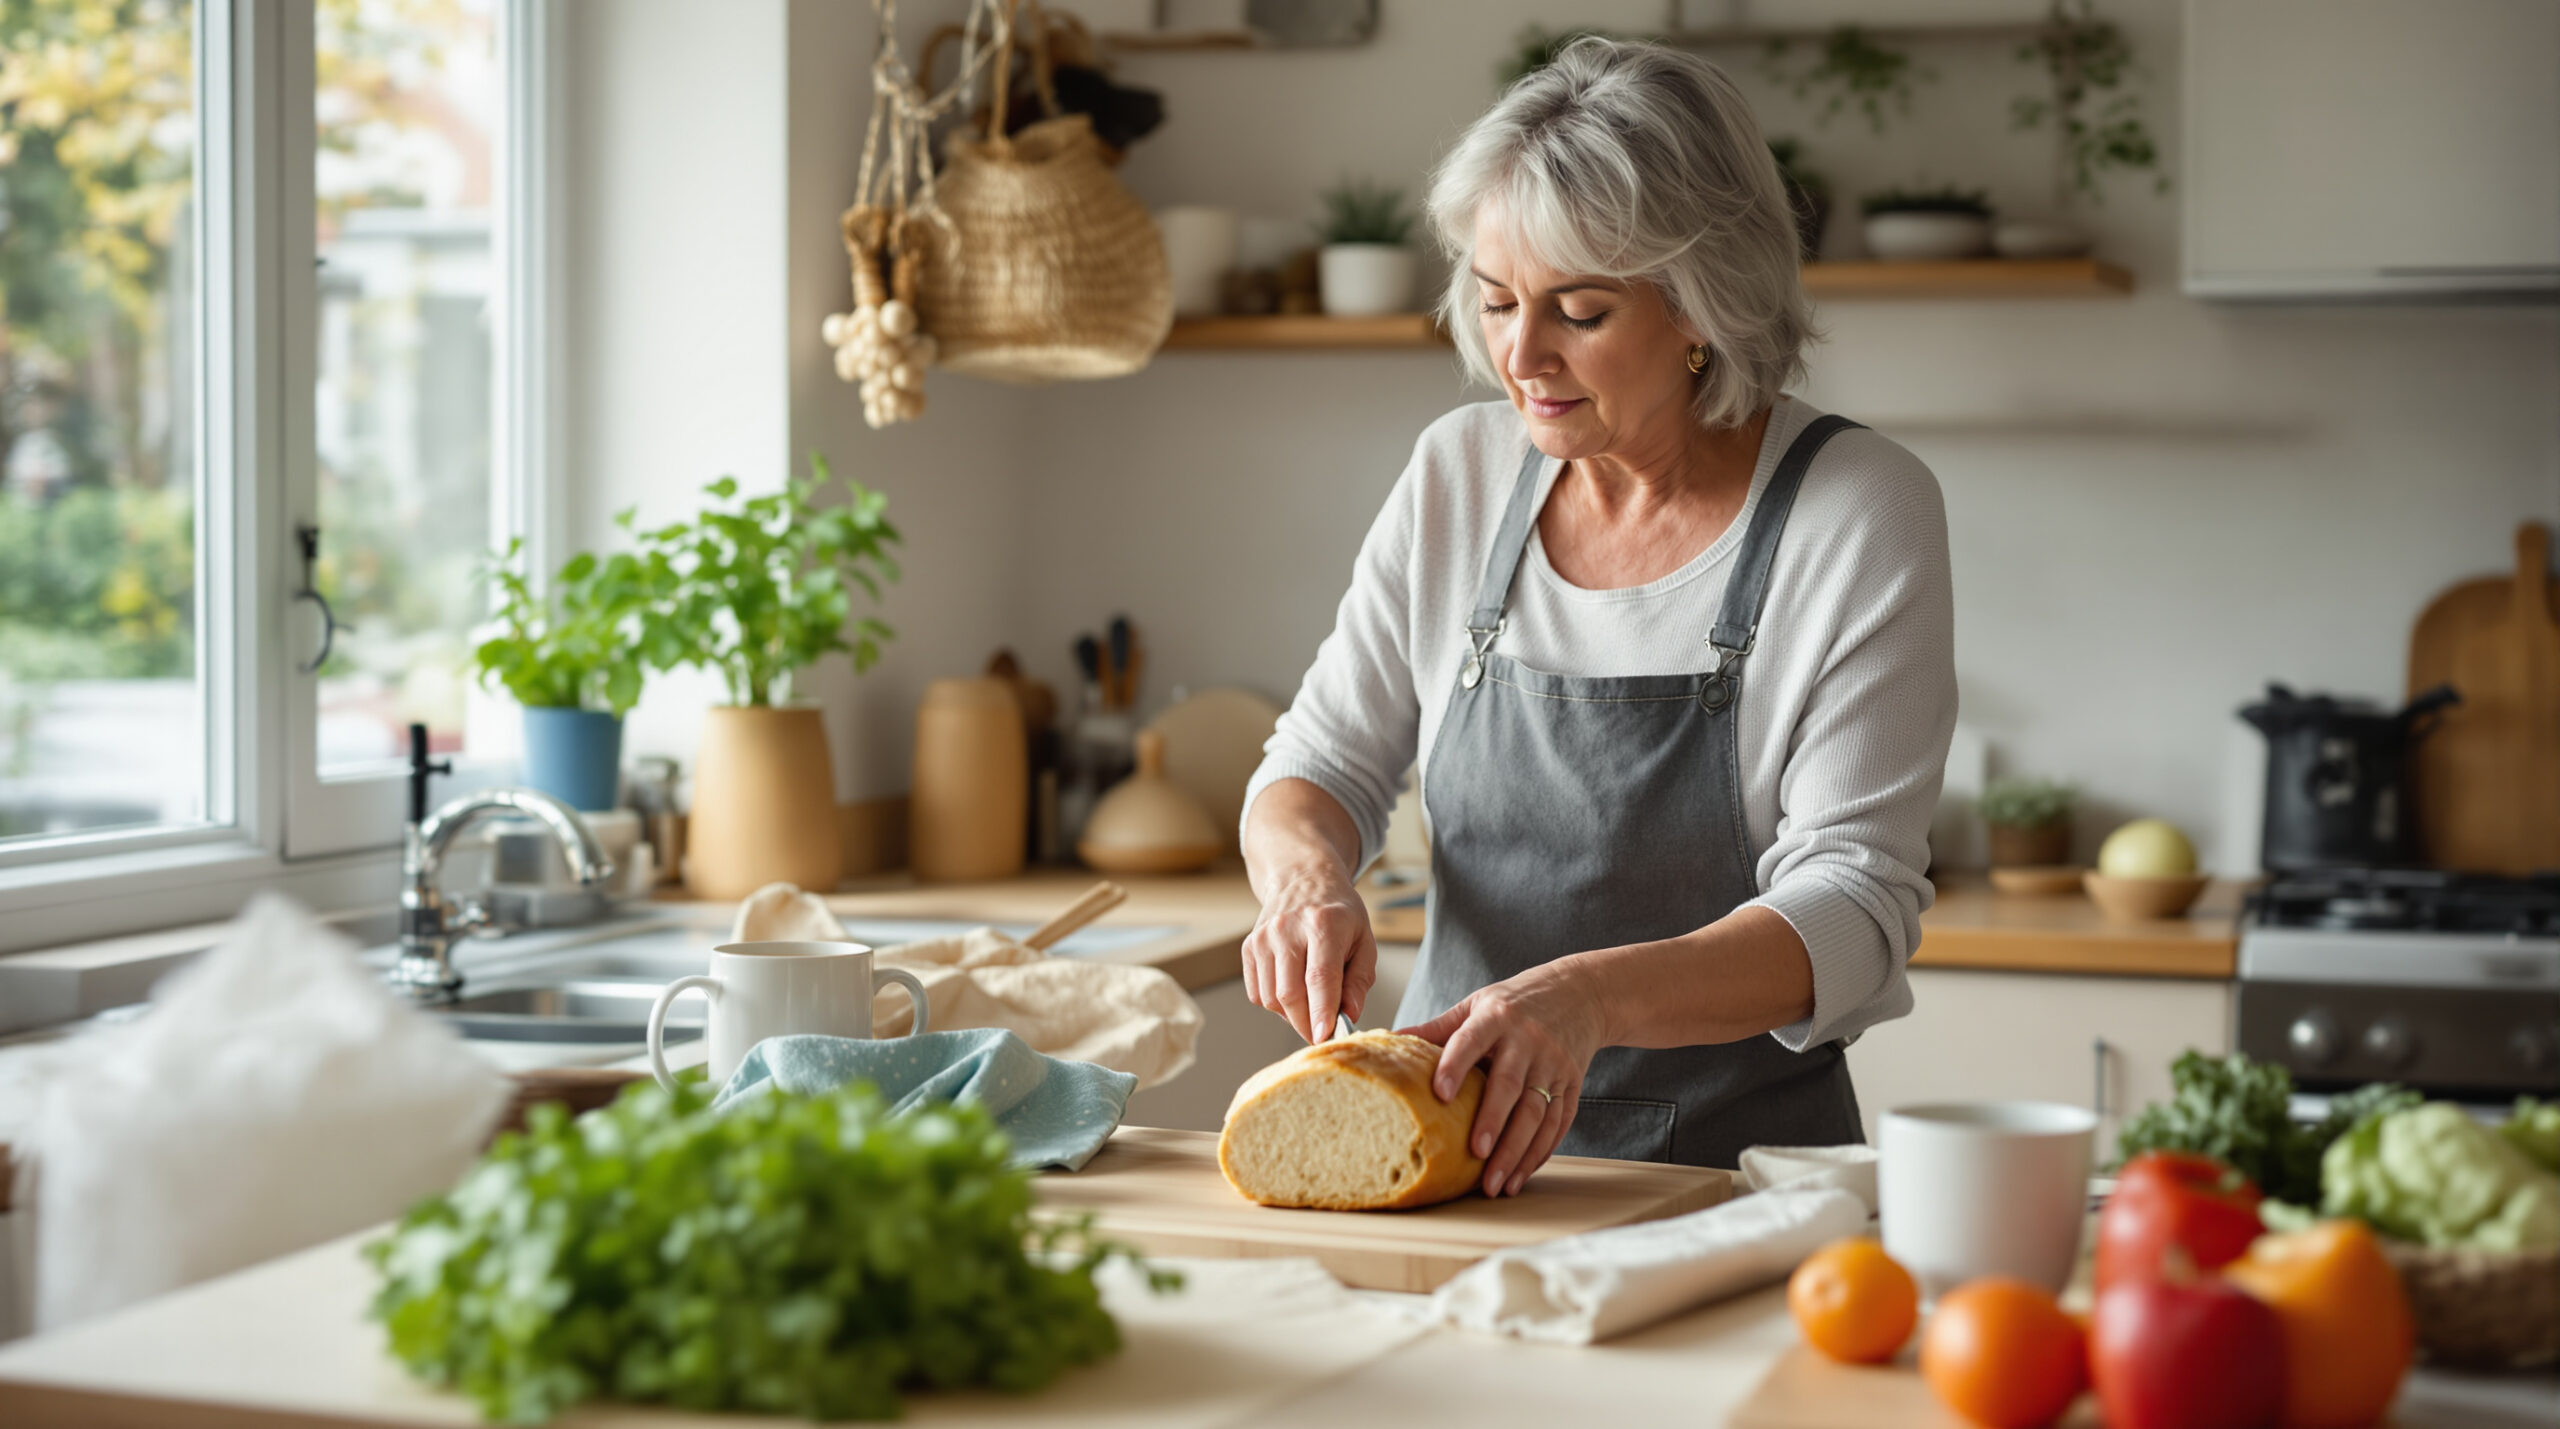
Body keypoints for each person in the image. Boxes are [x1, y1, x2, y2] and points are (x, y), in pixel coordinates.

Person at [1237, 38, 1957, 1193]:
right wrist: (1306, 882)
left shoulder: (1855, 509)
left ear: (1703, 309)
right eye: (1495, 301)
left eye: (1577, 310)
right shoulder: (1459, 475)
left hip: (1734, 1182)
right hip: (1440, 1161)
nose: (1519, 356)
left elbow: (1855, 903)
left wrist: (1586, 997)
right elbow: (1314, 766)